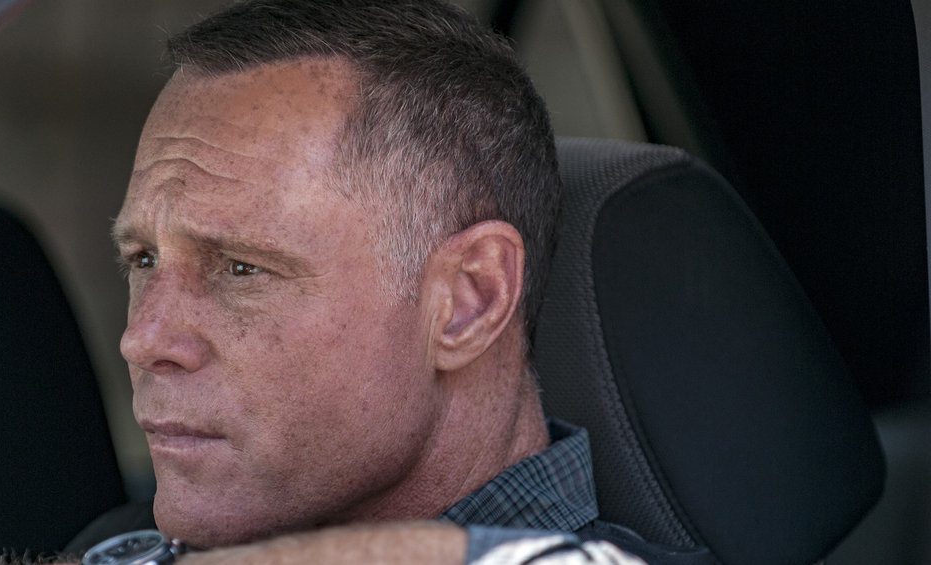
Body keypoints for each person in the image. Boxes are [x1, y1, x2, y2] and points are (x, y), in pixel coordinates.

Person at [67, 1, 711, 563]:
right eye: (143, 260)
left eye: (241, 268)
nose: (143, 339)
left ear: (468, 301)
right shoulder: (119, 540)